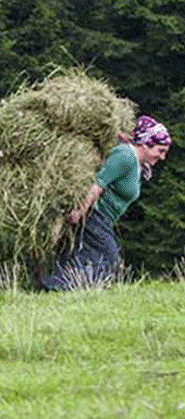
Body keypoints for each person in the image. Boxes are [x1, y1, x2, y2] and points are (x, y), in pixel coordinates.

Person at [41, 116, 171, 291]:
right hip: (94, 214)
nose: (162, 157)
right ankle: (57, 287)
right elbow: (98, 184)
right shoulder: (125, 156)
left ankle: (55, 286)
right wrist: (79, 212)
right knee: (109, 258)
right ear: (146, 144)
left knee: (87, 255)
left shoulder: (136, 162)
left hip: (103, 219)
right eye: (160, 150)